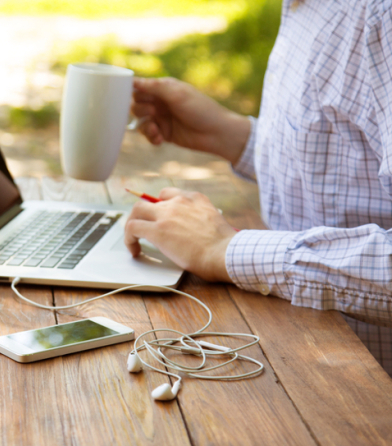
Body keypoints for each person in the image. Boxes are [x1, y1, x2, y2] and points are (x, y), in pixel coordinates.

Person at [125, 0, 392, 376]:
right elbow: (344, 166)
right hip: (297, 350)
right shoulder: (305, 8)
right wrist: (228, 134)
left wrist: (225, 250)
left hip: (368, 393)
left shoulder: (380, 16)